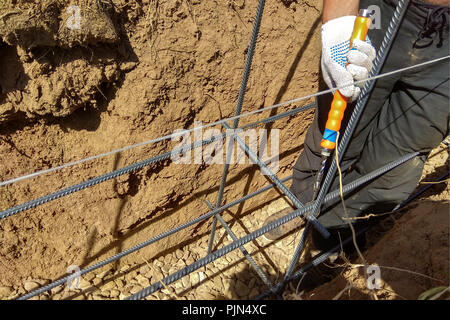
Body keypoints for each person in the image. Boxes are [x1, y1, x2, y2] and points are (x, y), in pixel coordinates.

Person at [263, 0, 449, 249]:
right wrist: (339, 24)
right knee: (336, 132)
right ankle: (305, 205)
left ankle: (337, 237)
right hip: (383, 12)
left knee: (397, 163)